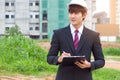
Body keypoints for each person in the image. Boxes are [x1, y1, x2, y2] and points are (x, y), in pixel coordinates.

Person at [47, 0, 105, 80]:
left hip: (84, 77)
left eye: (76, 13)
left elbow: (101, 61)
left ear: (84, 15)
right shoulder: (59, 34)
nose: (72, 16)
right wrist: (59, 59)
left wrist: (90, 65)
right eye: (71, 13)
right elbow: (50, 58)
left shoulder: (93, 36)